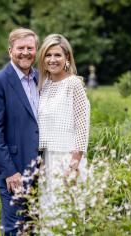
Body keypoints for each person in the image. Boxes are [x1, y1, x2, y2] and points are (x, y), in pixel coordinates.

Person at [0, 28, 40, 236]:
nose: (25, 52)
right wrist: (10, 171)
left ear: (36, 50)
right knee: (15, 229)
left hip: (38, 168)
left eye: (30, 48)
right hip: (13, 171)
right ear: (10, 51)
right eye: (20, 48)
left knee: (34, 227)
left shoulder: (40, 78)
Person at [37, 34, 90, 233]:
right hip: (46, 159)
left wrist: (74, 165)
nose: (52, 59)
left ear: (67, 57)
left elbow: (82, 126)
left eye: (57, 55)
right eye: (48, 55)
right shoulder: (44, 84)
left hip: (67, 158)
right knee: (48, 215)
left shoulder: (74, 84)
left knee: (68, 216)